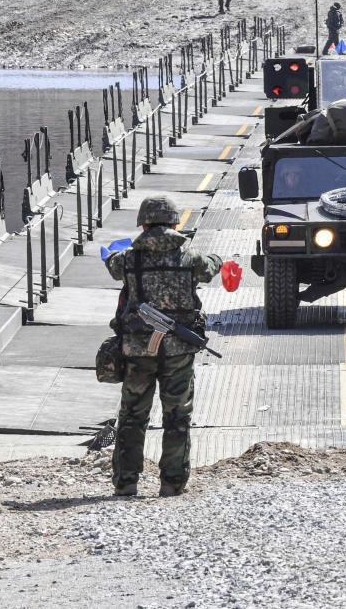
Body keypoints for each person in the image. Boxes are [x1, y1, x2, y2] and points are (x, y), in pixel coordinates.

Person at [105, 196, 224, 498]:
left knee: (132, 417)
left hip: (138, 350)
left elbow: (113, 266)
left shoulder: (130, 259)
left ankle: (126, 482)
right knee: (177, 417)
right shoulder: (190, 258)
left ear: (143, 224)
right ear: (175, 223)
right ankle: (172, 482)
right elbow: (210, 269)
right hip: (179, 352)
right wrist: (218, 260)